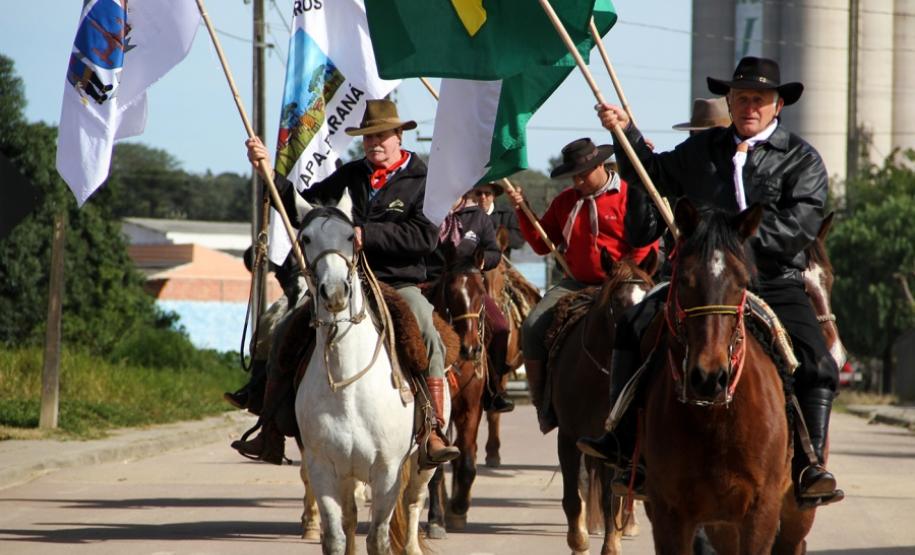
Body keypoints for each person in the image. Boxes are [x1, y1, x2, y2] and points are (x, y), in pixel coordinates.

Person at [577, 56, 843, 506]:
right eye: (742, 98)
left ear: (778, 106)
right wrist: (624, 133)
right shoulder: (703, 150)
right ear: (731, 102)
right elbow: (655, 173)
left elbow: (799, 225)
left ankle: (810, 463)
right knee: (632, 326)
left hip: (772, 279)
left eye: (760, 99)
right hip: (700, 281)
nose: (750, 106)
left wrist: (731, 249)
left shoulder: (802, 159)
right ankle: (624, 447)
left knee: (818, 360)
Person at [235, 99, 459, 466]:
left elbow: (424, 238)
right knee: (285, 330)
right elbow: (303, 207)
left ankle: (433, 429)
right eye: (368, 138)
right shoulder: (351, 174)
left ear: (399, 136)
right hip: (345, 281)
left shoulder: (424, 181)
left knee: (427, 333)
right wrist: (267, 174)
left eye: (382, 136)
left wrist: (364, 234)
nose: (375, 144)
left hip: (398, 283)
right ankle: (269, 429)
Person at [506, 138, 657, 433]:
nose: (577, 180)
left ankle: (654, 398)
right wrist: (523, 212)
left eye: (583, 173)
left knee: (652, 326)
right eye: (573, 175)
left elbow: (646, 244)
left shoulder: (629, 195)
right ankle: (543, 404)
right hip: (576, 283)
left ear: (600, 165)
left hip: (625, 283)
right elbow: (540, 244)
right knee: (533, 325)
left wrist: (623, 277)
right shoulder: (565, 202)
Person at [427, 192, 515, 413]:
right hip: (433, 283)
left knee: (502, 327)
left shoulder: (478, 217)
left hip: (470, 285)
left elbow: (494, 250)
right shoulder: (428, 212)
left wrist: (486, 258)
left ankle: (494, 389)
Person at [470, 182, 525, 259]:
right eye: (479, 193)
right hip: (471, 266)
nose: (483, 197)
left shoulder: (506, 214)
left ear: (494, 196)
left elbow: (519, 241)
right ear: (473, 196)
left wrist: (496, 234)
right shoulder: (466, 215)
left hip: (499, 266)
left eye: (487, 193)